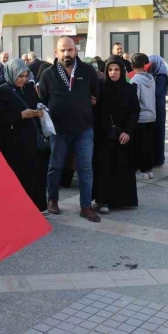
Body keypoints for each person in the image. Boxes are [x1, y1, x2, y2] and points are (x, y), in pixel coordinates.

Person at [39, 36, 100, 222]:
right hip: (59, 131)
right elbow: (42, 99)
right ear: (56, 53)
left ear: (76, 51)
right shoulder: (48, 74)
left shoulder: (88, 71)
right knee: (55, 166)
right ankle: (53, 200)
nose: (67, 53)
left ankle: (86, 206)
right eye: (63, 50)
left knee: (85, 168)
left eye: (70, 50)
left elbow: (96, 94)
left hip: (84, 129)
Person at [0, 58, 48, 212]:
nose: (23, 80)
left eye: (25, 76)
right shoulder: (1, 91)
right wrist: (21, 115)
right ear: (11, 74)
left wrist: (40, 111)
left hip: (32, 139)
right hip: (13, 142)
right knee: (17, 176)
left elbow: (37, 103)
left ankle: (35, 208)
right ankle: (18, 210)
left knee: (35, 174)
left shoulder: (29, 88)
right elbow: (0, 117)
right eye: (20, 76)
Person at [93, 59, 140, 213]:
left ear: (122, 71)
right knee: (103, 167)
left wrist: (128, 131)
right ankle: (102, 201)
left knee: (122, 165)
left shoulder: (129, 89)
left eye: (117, 69)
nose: (113, 72)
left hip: (123, 136)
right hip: (102, 136)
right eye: (110, 69)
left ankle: (122, 199)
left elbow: (135, 111)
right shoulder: (99, 87)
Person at [129, 54, 156, 180]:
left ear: (132, 65)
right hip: (151, 115)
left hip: (140, 117)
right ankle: (149, 170)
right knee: (149, 144)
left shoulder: (135, 80)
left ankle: (143, 170)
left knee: (139, 145)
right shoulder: (151, 78)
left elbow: (135, 99)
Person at [148, 55, 168, 167]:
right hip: (154, 108)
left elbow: (156, 92)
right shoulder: (154, 75)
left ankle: (158, 159)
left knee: (158, 134)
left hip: (159, 110)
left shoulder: (161, 76)